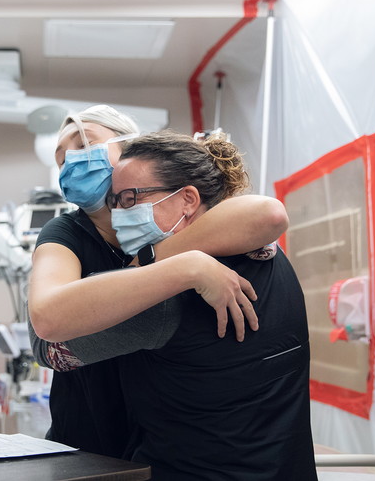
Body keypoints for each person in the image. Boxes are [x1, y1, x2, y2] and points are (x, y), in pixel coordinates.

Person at [27, 105, 289, 458]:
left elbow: (265, 215)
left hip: (161, 440)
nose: (73, 160)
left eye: (85, 143)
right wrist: (182, 266)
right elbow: (47, 325)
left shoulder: (167, 220)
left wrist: (162, 256)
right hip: (87, 439)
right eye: (61, 159)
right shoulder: (66, 233)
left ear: (131, 146)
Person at [101, 130, 314, 479]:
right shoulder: (276, 262)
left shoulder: (165, 295)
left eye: (129, 199)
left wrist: (141, 265)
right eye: (114, 203)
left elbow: (52, 341)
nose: (118, 216)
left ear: (187, 199)